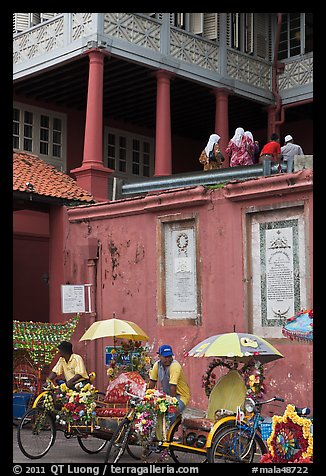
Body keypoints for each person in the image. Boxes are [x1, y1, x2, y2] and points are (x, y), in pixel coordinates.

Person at [148, 344, 190, 423]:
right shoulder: (157, 365)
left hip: (180, 396)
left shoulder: (175, 366)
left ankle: (169, 433)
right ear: (159, 356)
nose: (168, 359)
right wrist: (148, 396)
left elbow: (172, 386)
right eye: (165, 357)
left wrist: (173, 403)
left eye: (169, 357)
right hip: (167, 395)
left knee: (171, 413)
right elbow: (152, 382)